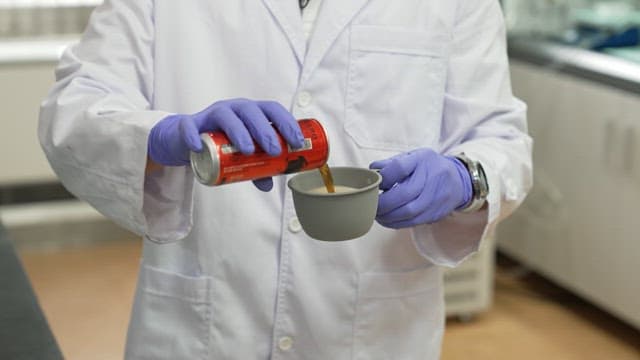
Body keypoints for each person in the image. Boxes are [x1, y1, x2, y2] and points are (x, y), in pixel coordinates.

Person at [38, 0, 532, 358]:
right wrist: (161, 136)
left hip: (372, 332)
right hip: (206, 327)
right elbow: (73, 109)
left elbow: (501, 139)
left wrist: (465, 177)